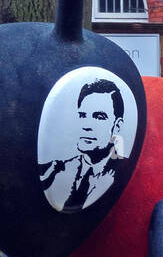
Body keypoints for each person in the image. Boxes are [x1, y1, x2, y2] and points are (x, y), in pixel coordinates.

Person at [39, 78, 127, 211]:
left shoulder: (125, 171)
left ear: (117, 126)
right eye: (83, 115)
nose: (86, 126)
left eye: (99, 117)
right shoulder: (55, 171)